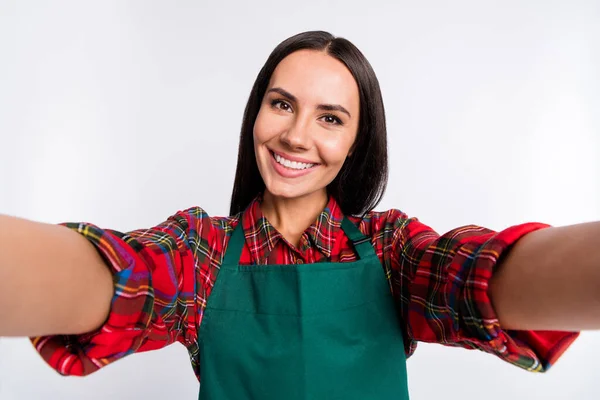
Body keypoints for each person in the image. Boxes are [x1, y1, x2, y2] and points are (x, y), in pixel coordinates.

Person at [1, 30, 598, 399]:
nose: (295, 136)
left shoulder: (392, 254)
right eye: (281, 104)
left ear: (359, 142)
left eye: (330, 117)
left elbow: (474, 279)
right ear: (256, 113)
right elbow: (122, 276)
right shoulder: (201, 253)